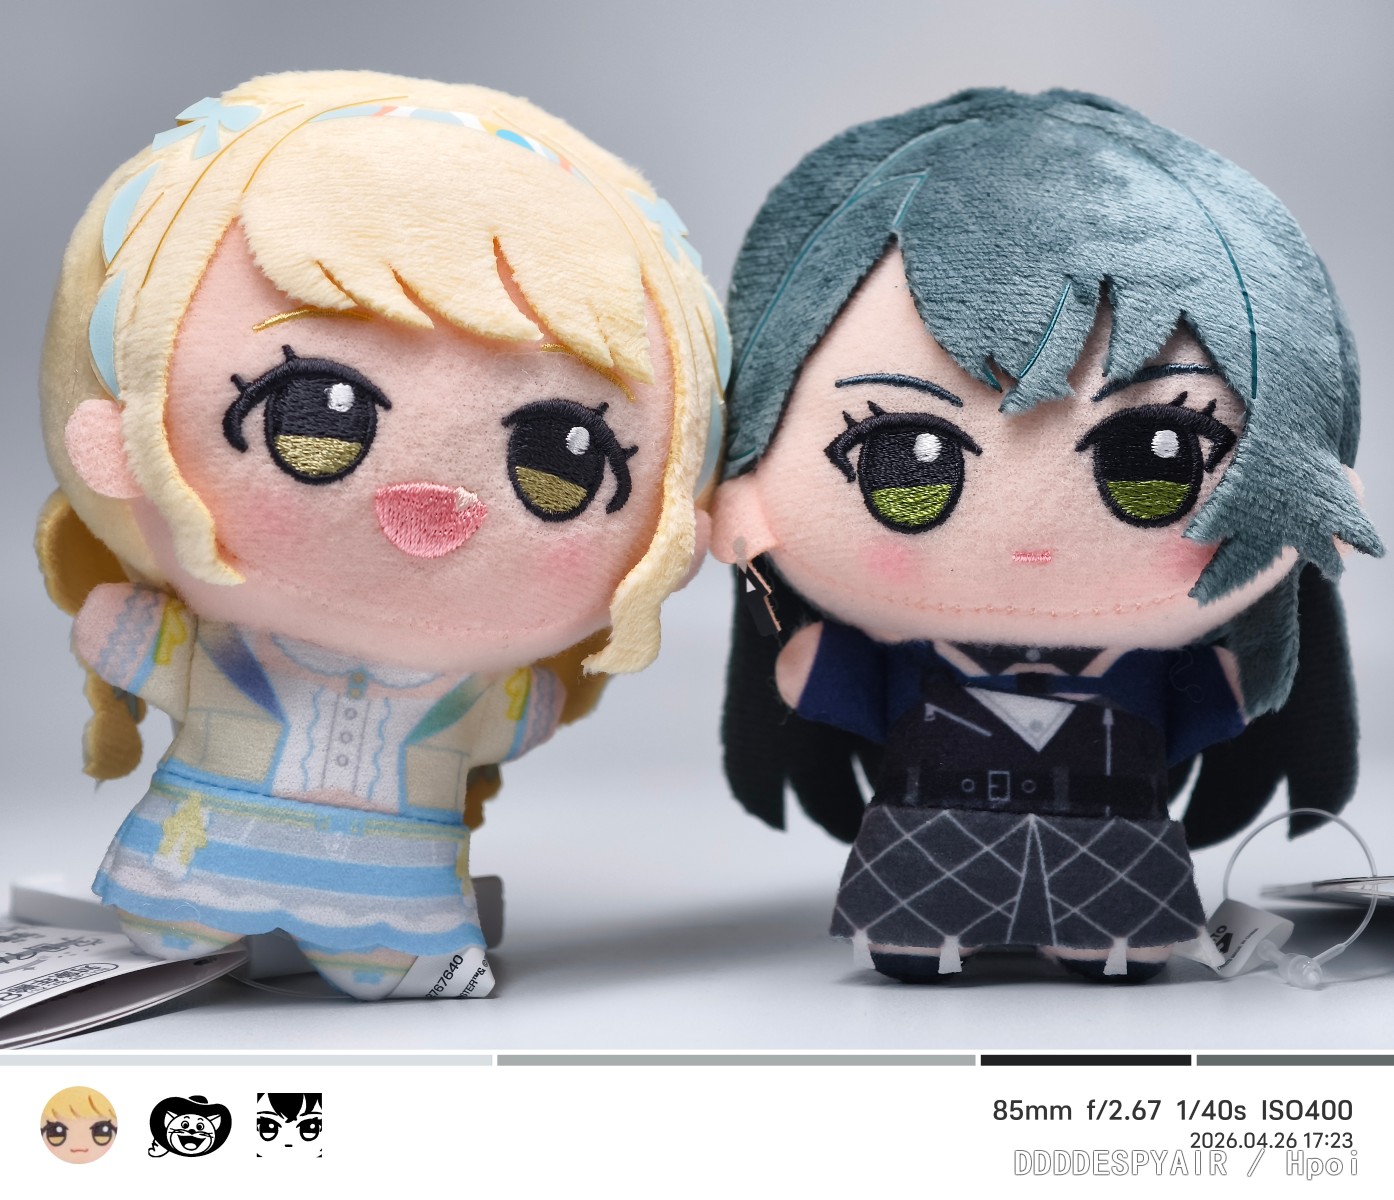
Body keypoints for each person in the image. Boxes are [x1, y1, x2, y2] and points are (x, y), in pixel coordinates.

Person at [38, 71, 725, 999]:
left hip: (394, 910)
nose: (433, 500)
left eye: (556, 462)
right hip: (196, 865)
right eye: (314, 414)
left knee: (369, 941)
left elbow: (117, 633)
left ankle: (380, 954)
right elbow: (121, 635)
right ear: (117, 440)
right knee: (187, 913)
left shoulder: (462, 693)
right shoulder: (415, 688)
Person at [712, 89, 1380, 983]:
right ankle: (934, 942)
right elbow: (820, 675)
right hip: (930, 850)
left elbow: (1220, 699)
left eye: (1155, 458)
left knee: (1113, 934)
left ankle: (1097, 945)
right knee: (922, 926)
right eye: (906, 466)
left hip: (1111, 858)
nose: (1027, 532)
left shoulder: (1131, 672)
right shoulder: (961, 665)